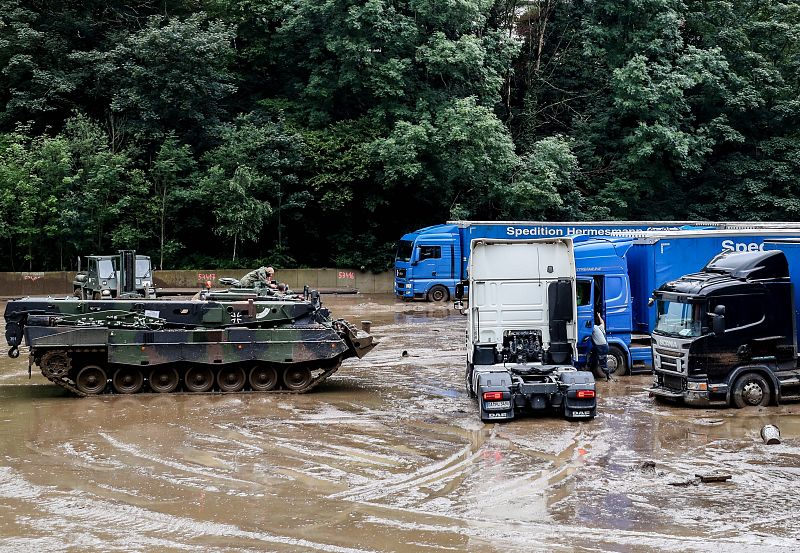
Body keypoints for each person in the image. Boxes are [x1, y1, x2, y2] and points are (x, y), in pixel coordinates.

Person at [592, 312, 610, 381]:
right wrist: (599, 316)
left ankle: (608, 377)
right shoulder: (600, 327)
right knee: (596, 359)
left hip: (601, 347)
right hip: (605, 346)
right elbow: (602, 322)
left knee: (602, 363)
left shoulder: (593, 328)